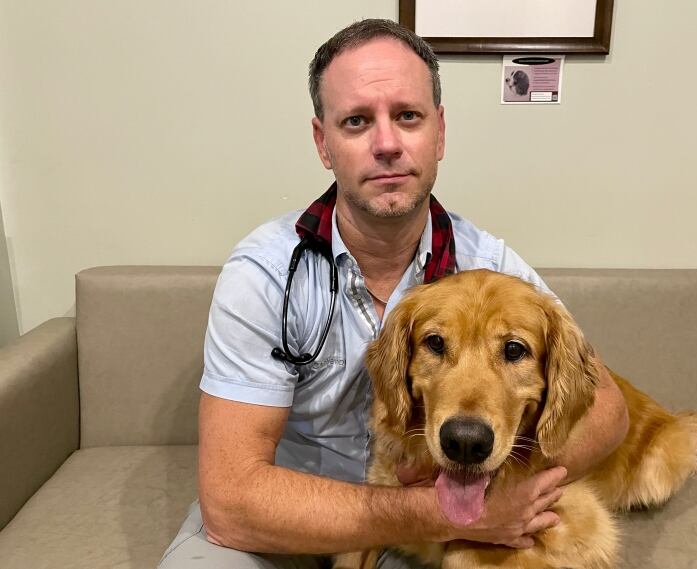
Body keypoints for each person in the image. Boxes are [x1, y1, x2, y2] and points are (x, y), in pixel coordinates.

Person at [159, 18, 628, 569]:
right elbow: (232, 501)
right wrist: (429, 512)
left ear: (440, 132)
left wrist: (495, 492)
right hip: (292, 516)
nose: (386, 145)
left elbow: (608, 413)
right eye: (356, 121)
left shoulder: (492, 268)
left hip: (430, 522)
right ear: (323, 143)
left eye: (408, 116)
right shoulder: (263, 274)